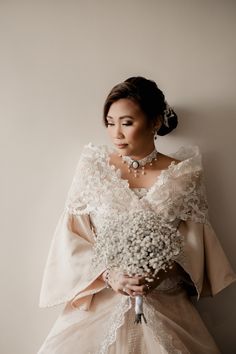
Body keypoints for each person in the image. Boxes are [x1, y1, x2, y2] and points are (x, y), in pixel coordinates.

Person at [37, 76, 236, 354]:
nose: (116, 133)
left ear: (155, 122)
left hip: (165, 299)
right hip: (102, 301)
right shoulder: (93, 169)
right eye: (110, 122)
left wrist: (161, 272)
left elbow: (196, 247)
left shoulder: (185, 175)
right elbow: (71, 240)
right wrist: (110, 276)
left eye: (127, 123)